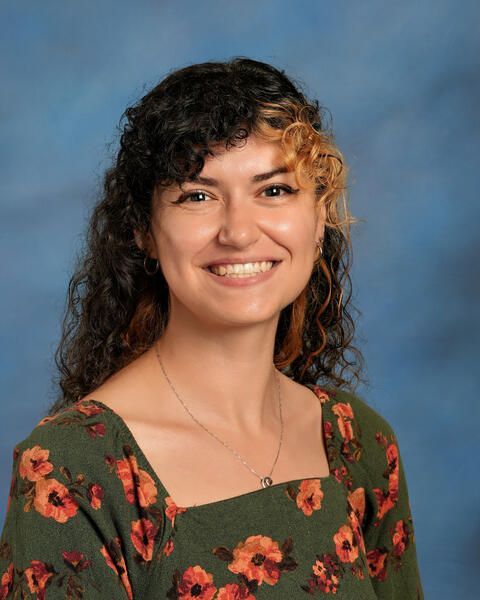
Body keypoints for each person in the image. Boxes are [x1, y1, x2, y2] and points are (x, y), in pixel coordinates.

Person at [0, 57, 423, 599]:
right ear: (143, 231)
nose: (239, 232)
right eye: (197, 196)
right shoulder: (71, 471)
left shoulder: (358, 442)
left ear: (319, 217)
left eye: (274, 190)